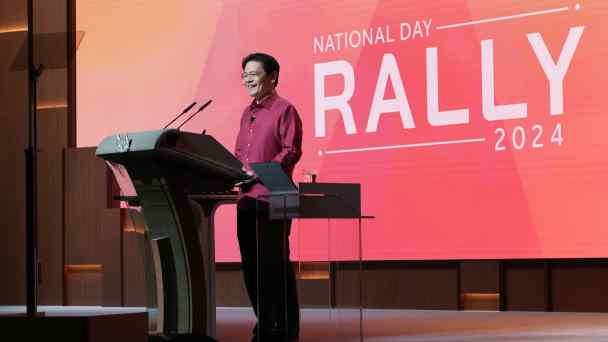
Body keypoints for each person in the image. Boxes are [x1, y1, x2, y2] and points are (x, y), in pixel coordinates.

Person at [234, 52, 303, 341]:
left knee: (274, 263)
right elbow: (240, 154)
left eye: (254, 73)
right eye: (244, 74)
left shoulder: (285, 109)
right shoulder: (246, 113)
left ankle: (284, 326)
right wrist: (235, 172)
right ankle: (265, 321)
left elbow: (291, 150)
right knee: (251, 265)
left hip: (275, 197)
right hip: (247, 199)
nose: (248, 78)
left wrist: (259, 172)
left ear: (272, 76)